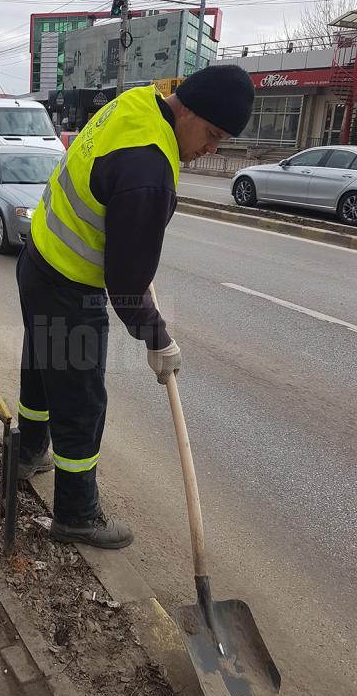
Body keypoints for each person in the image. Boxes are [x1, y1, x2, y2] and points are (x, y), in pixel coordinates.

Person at [16, 64, 255, 549]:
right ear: (185, 109)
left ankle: (26, 454)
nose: (212, 148)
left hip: (38, 259)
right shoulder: (150, 170)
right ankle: (77, 515)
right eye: (211, 133)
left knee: (40, 368)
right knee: (82, 404)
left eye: (222, 140)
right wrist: (158, 338)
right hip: (68, 285)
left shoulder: (138, 103)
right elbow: (125, 284)